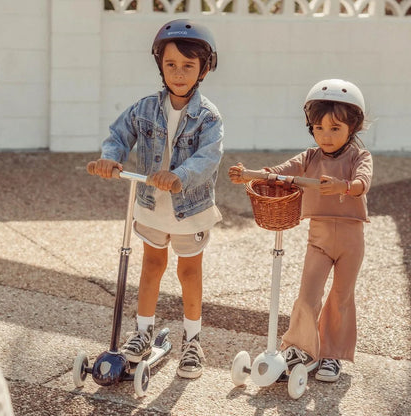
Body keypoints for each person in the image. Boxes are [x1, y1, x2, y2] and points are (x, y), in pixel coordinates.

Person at [89, 19, 223, 379]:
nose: (179, 73)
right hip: (151, 204)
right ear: (160, 66)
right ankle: (143, 332)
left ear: (204, 70)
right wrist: (111, 158)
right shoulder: (145, 108)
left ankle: (193, 340)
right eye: (171, 65)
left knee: (189, 271)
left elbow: (209, 157)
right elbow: (119, 134)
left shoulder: (208, 117)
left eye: (188, 66)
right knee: (150, 267)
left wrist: (179, 175)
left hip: (189, 209)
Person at [229, 79, 373, 382]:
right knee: (308, 295)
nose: (326, 136)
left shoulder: (359, 157)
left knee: (342, 295)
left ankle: (332, 355)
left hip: (351, 237)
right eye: (319, 128)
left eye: (335, 128)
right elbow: (279, 172)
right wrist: (248, 175)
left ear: (353, 127)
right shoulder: (310, 157)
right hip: (319, 237)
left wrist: (344, 187)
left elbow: (363, 182)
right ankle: (300, 348)